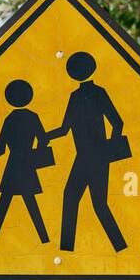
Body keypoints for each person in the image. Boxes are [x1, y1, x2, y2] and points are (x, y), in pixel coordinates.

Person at [49, 50, 129, 252]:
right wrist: (45, 136)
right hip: (85, 157)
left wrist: (109, 149)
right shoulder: (76, 96)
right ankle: (67, 250)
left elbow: (117, 122)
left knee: (96, 203)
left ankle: (120, 248)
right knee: (76, 198)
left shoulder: (95, 93)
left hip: (96, 157)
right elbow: (65, 128)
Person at [0, 79, 52, 245]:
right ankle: (45, 240)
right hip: (27, 164)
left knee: (5, 203)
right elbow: (43, 139)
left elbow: (0, 148)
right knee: (30, 203)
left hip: (13, 166)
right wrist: (35, 156)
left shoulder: (9, 119)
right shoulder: (33, 117)